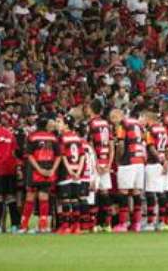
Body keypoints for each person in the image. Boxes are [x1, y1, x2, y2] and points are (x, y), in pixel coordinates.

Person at [19, 115, 60, 233]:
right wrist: (52, 169)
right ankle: (43, 226)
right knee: (44, 198)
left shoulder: (32, 137)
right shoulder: (53, 137)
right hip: (48, 171)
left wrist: (38, 169)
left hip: (34, 173)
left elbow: (29, 155)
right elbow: (58, 156)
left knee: (30, 198)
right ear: (46, 125)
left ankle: (24, 226)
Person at [114, 111, 146, 232]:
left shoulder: (123, 124)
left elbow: (121, 144)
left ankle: (123, 223)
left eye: (114, 117)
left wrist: (118, 160)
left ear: (119, 116)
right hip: (139, 160)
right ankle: (136, 224)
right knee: (136, 192)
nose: (113, 121)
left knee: (124, 192)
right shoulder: (137, 124)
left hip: (128, 161)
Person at [87, 99, 114, 232]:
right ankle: (107, 224)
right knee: (105, 192)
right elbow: (111, 145)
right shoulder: (107, 124)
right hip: (106, 162)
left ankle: (94, 224)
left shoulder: (91, 124)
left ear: (91, 109)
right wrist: (108, 164)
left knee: (94, 192)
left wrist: (96, 164)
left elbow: (91, 145)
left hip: (95, 163)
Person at [57, 115, 86, 234]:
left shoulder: (62, 137)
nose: (57, 124)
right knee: (75, 199)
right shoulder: (77, 138)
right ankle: (76, 226)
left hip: (66, 171)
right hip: (77, 172)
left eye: (59, 122)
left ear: (66, 125)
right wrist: (78, 171)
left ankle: (65, 226)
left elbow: (63, 155)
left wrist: (69, 170)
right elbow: (82, 155)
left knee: (65, 200)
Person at [143, 111, 168, 231]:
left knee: (150, 193)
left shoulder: (150, 131)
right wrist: (167, 163)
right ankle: (162, 221)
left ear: (149, 119)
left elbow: (151, 147)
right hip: (162, 164)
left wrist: (160, 160)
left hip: (153, 164)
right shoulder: (163, 131)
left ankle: (150, 222)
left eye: (144, 118)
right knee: (161, 192)